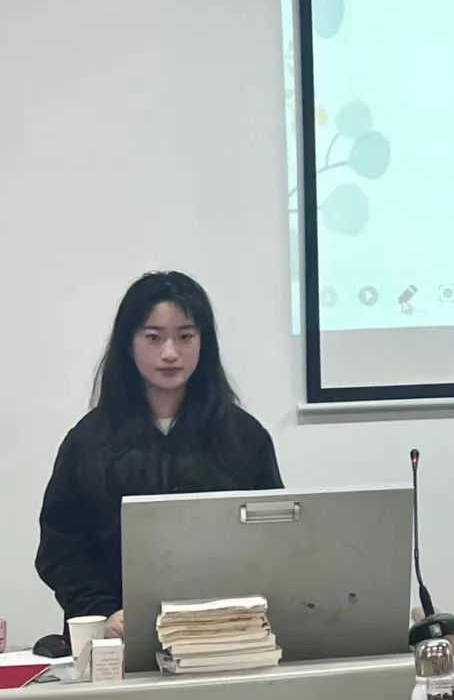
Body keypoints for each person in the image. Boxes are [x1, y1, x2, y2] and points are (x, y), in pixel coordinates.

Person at [36, 271, 283, 641]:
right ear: (128, 344)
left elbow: (274, 539)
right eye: (153, 337)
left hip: (224, 635)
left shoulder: (244, 437)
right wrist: (101, 612)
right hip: (116, 636)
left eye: (185, 337)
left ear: (204, 343)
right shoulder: (87, 441)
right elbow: (61, 547)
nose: (170, 353)